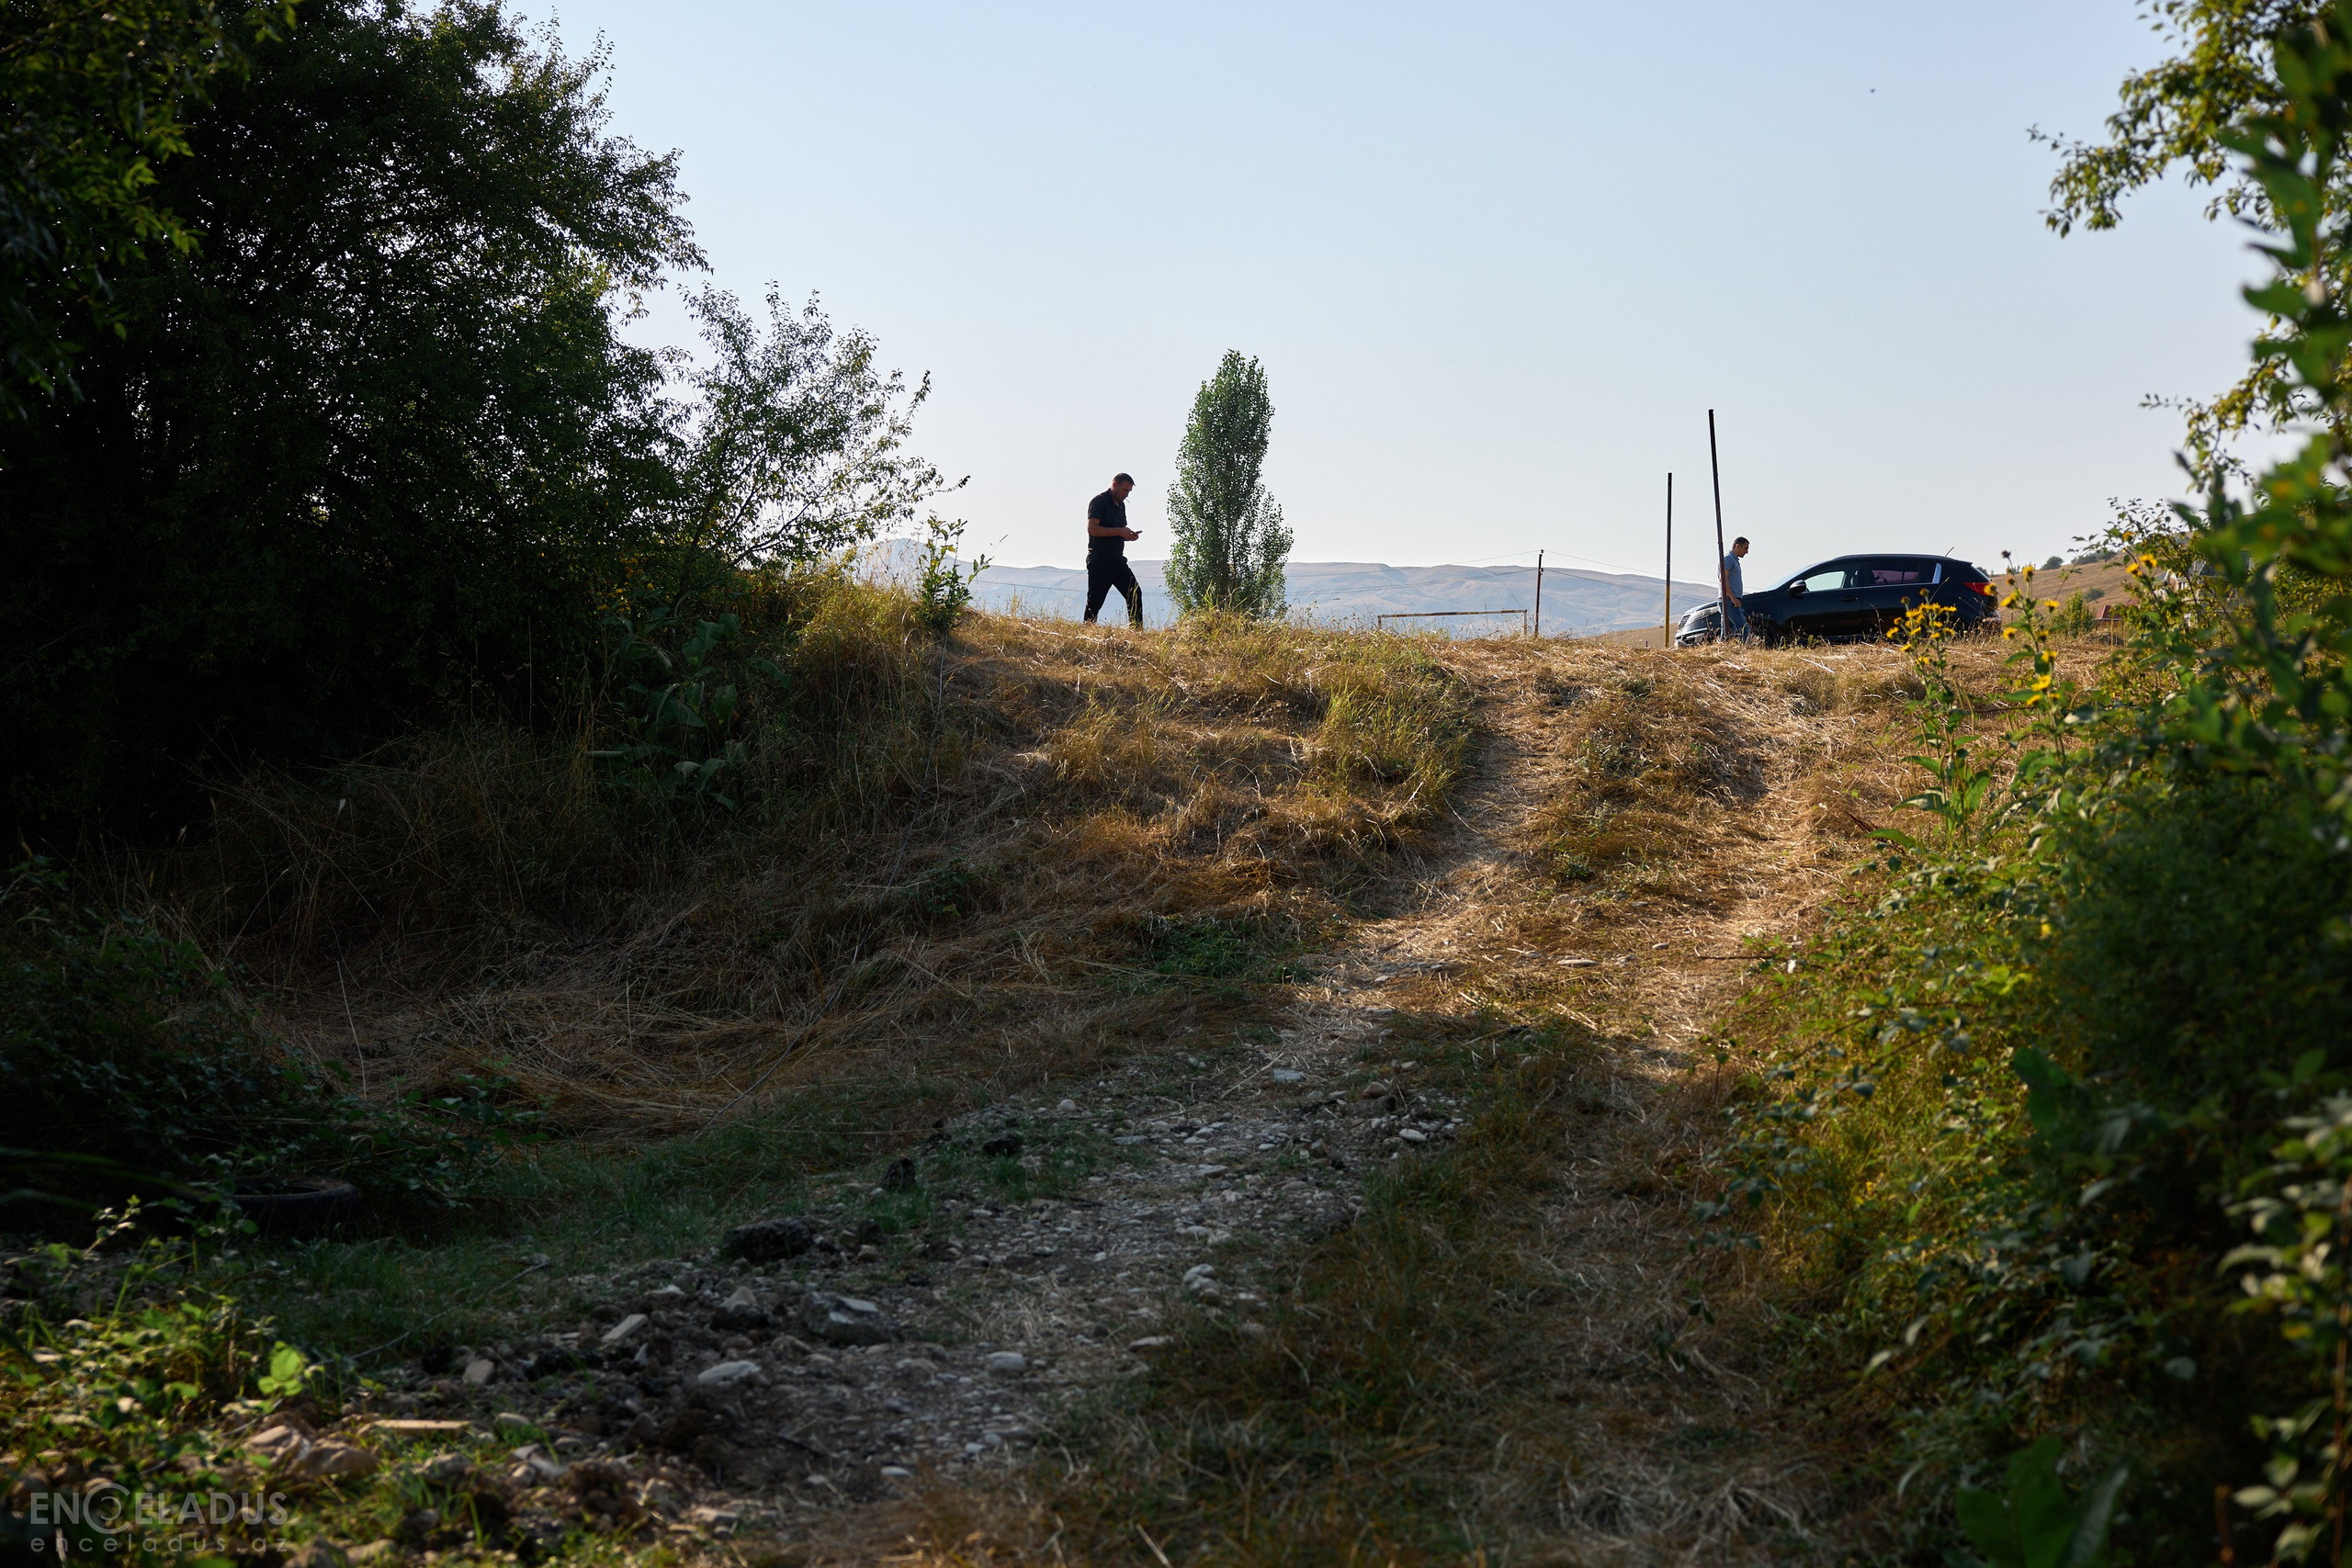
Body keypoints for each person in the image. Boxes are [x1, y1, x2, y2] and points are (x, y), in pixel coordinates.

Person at [1084, 472, 1145, 626]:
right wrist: (1119, 531)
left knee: (1135, 593)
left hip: (1117, 560)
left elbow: (1118, 530)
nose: (1126, 494)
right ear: (1115, 485)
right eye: (1125, 490)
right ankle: (1086, 632)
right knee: (1094, 603)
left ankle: (1137, 633)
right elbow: (1092, 529)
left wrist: (1128, 535)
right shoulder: (1099, 501)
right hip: (1100, 560)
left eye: (1129, 492)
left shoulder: (1121, 506)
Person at [1719, 536, 1751, 643]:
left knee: (1727, 632)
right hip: (1729, 599)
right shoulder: (1729, 559)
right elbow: (1723, 578)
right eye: (1745, 548)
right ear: (1738, 546)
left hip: (1730, 599)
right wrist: (1732, 597)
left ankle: (1723, 653)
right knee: (1744, 629)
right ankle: (1749, 651)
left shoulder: (1733, 560)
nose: (1746, 552)